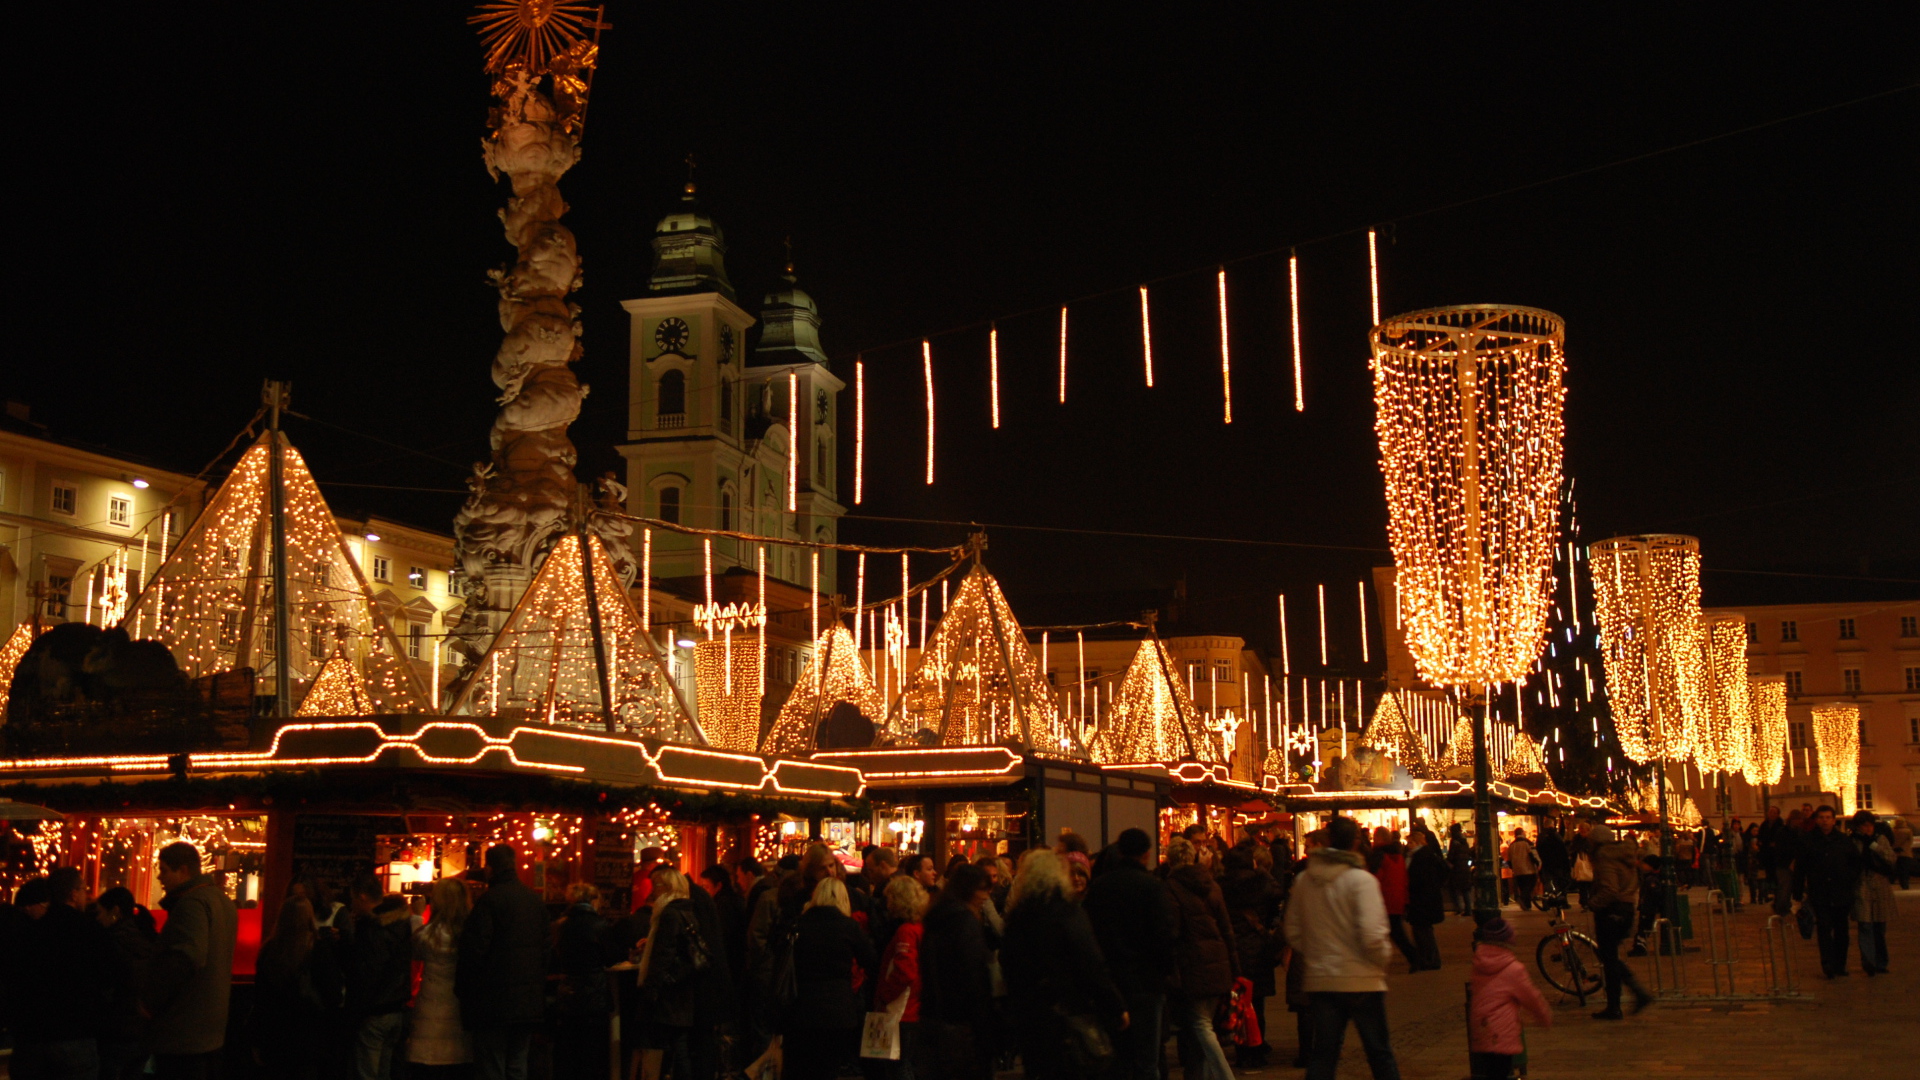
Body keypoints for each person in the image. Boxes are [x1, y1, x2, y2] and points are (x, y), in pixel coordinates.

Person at [1284, 816, 1401, 1080]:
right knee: (1379, 1052)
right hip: (1362, 979)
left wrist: (1317, 952)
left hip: (1322, 979)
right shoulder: (1361, 881)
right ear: (1355, 843)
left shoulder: (1305, 880)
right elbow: (1372, 934)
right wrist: (1381, 960)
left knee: (1324, 1055)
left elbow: (1293, 930)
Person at [1000, 850, 1128, 1080]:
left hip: (1031, 1017)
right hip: (1069, 1015)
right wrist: (1115, 1005)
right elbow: (1091, 964)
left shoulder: (1019, 916)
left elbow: (1009, 965)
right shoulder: (1067, 913)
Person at [1082, 827, 1177, 1080]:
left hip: (1112, 980)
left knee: (1118, 1056)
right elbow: (1164, 935)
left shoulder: (1100, 888)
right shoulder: (1152, 887)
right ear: (1146, 854)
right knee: (1147, 1056)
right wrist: (1165, 971)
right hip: (1146, 981)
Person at [10, 866, 114, 1079]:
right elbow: (108, 977)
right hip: (76, 1033)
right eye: (83, 889)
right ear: (73, 894)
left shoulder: (32, 932)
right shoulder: (91, 931)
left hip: (34, 1035)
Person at [457, 844, 550, 1080]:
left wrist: (466, 991)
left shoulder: (489, 902)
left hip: (493, 1001)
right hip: (528, 1001)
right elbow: (546, 950)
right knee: (517, 1064)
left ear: (489, 869)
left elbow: (473, 952)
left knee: (492, 1065)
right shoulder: (533, 900)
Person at [146, 842, 239, 1079]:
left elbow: (185, 958)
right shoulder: (221, 900)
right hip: (211, 1030)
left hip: (183, 1031)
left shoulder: (191, 904)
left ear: (184, 871)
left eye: (165, 869)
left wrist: (150, 1001)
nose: (159, 876)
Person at [783, 878, 879, 1080]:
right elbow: (870, 959)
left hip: (802, 1005)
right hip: (838, 1008)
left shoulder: (800, 924)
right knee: (829, 1067)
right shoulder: (848, 926)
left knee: (803, 1067)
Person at [1162, 836, 1237, 1080]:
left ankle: (1225, 1075)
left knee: (1200, 1026)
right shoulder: (1211, 884)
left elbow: (1172, 931)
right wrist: (1235, 967)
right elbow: (1226, 928)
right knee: (1205, 1026)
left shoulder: (1172, 887)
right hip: (1218, 962)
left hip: (1192, 964)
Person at [916, 863, 997, 1080]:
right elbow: (972, 976)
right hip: (962, 1022)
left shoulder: (936, 918)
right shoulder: (965, 921)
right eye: (983, 889)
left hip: (934, 1015)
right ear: (969, 890)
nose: (986, 896)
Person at [252, 895, 341, 1080]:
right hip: (309, 1037)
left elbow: (261, 999)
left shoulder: (269, 951)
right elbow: (332, 994)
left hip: (276, 1036)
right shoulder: (318, 949)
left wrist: (258, 1040)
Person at [634, 868, 703, 1080]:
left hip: (670, 993)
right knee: (678, 1044)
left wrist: (653, 987)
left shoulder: (669, 914)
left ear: (667, 888)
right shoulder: (687, 911)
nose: (653, 891)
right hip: (683, 990)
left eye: (657, 885)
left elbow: (664, 953)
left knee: (672, 1046)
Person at [343, 874, 413, 1080]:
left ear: (363, 897)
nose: (352, 904)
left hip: (375, 1010)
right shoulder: (400, 923)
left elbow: (369, 972)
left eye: (354, 898)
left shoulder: (373, 929)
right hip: (396, 1008)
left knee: (367, 1072)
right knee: (384, 1070)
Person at [1222, 844, 1285, 1067]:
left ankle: (1242, 1052)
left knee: (1239, 1003)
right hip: (1257, 948)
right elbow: (1278, 892)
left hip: (1234, 950)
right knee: (1257, 1004)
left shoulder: (1222, 885)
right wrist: (1261, 871)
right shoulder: (1260, 883)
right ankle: (1257, 1049)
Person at [1465, 919, 1550, 1080]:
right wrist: (1543, 1016)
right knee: (1501, 1071)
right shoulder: (1513, 969)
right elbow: (1531, 997)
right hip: (1501, 1031)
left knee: (1491, 1072)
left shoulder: (1478, 963)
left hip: (1482, 1028)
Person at [553, 884, 619, 1080]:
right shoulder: (599, 925)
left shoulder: (561, 925)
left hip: (567, 992)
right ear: (594, 900)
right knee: (591, 1051)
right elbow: (612, 957)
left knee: (569, 1049)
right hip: (593, 992)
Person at [1584, 824, 1651, 1019]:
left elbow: (1609, 889)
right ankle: (1624, 1000)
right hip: (1627, 908)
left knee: (1609, 958)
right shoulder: (1625, 855)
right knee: (1610, 956)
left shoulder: (1605, 857)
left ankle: (1623, 1001)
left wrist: (1593, 903)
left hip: (1611, 910)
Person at [408, 877, 472, 1076]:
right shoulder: (470, 934)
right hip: (459, 1012)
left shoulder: (428, 935)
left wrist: (417, 916)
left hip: (429, 1010)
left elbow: (413, 949)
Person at [95, 886, 159, 1080]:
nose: (97, 918)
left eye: (100, 912)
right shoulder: (147, 938)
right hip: (143, 1030)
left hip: (115, 1030)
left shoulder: (110, 942)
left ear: (115, 911)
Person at [1792, 805, 1862, 978]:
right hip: (1820, 891)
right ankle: (1828, 963)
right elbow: (1800, 868)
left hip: (1841, 891)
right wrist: (1798, 892)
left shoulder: (1844, 840)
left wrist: (1849, 879)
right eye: (1821, 817)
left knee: (1841, 930)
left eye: (1828, 817)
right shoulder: (1808, 840)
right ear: (1817, 820)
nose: (1825, 821)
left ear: (1833, 820)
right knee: (1823, 928)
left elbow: (1856, 863)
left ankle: (1840, 963)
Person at [875, 875, 929, 1080]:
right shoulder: (919, 928)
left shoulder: (905, 931)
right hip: (913, 1007)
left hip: (902, 1009)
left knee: (899, 1066)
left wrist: (885, 995)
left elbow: (905, 971)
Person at [1850, 810, 1896, 976]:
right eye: (1863, 826)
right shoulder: (1853, 841)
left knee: (1879, 927)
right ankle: (1869, 962)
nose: (1866, 829)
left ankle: (1881, 961)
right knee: (1865, 925)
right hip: (1862, 886)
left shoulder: (1880, 839)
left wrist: (1874, 846)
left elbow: (1891, 858)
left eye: (1869, 825)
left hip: (1880, 886)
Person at [1367, 829, 1420, 970]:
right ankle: (1414, 957)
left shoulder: (1379, 855)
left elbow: (1375, 877)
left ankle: (1414, 957)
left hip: (1384, 899)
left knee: (1394, 933)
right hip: (1397, 898)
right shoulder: (1399, 855)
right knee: (1396, 931)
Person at [1403, 831, 1446, 971]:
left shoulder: (1421, 856)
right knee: (1422, 930)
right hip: (1424, 898)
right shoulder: (1422, 855)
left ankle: (1430, 960)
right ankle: (1428, 959)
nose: (1407, 845)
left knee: (1423, 930)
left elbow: (1418, 878)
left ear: (1418, 842)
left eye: (1410, 842)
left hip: (1422, 898)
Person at [1506, 829, 1539, 911]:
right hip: (1528, 869)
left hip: (1517, 871)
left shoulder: (1512, 845)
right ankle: (1522, 899)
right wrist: (1537, 864)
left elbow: (1509, 860)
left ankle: (1527, 905)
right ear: (1522, 833)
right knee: (1529, 886)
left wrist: (1513, 868)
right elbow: (1532, 855)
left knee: (1522, 887)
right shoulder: (1527, 843)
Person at [1445, 824, 1473, 916]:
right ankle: (1468, 909)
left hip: (1456, 868)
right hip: (1465, 868)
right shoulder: (1464, 841)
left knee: (1454, 889)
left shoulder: (1454, 841)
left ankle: (1459, 908)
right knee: (1466, 890)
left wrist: (1448, 862)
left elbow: (1451, 856)